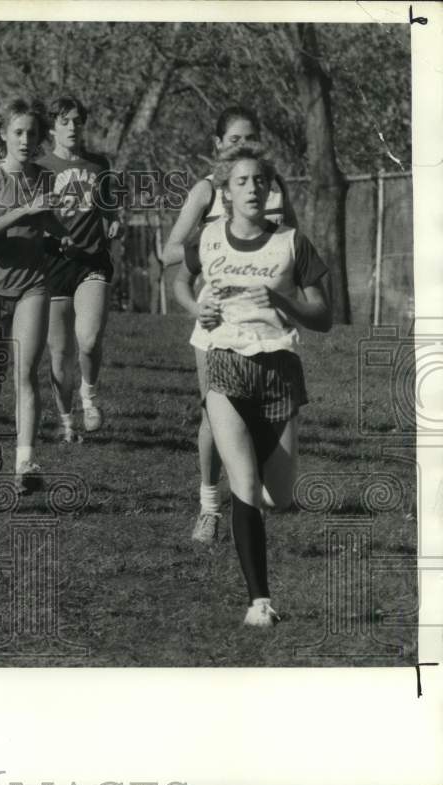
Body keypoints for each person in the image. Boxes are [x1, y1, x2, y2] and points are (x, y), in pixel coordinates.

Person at [182, 142, 331, 627]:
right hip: (225, 361)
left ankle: (260, 504)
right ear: (225, 192)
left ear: (270, 189)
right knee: (243, 485)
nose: (252, 188)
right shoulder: (206, 239)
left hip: (279, 369)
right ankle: (259, 603)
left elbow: (324, 317)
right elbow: (178, 279)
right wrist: (194, 308)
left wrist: (279, 300)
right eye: (241, 181)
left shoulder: (291, 242)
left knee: (280, 497)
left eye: (259, 181)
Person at [165, 106, 298, 543]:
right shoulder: (207, 191)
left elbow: (295, 244)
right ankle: (209, 506)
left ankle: (251, 486)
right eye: (235, 140)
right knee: (212, 414)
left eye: (251, 138)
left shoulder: (273, 187)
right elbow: (169, 254)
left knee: (260, 413)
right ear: (218, 145)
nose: (243, 146)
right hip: (215, 322)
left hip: (264, 323)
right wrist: (214, 239)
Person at [0, 97, 56, 495]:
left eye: (32, 133)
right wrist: (21, 212)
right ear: (2, 134)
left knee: (26, 372)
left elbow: (55, 225)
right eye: (18, 132)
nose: (25, 139)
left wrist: (68, 221)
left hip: (32, 284)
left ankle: (25, 462)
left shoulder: (45, 177)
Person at [36, 96, 118, 443]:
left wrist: (115, 224)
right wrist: (47, 236)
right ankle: (67, 420)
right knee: (60, 352)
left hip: (91, 262)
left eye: (77, 121)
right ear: (53, 126)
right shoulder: (39, 167)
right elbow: (31, 217)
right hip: (52, 265)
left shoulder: (99, 165)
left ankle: (90, 394)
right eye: (65, 121)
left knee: (89, 339)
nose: (72, 127)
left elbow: (111, 212)